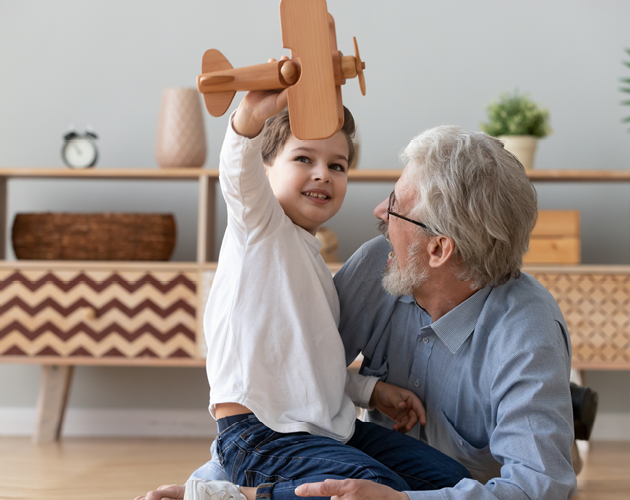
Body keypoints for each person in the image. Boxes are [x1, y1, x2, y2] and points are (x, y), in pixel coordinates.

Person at [136, 93, 470, 500]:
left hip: (330, 429)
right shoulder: (258, 227)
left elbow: (308, 366)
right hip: (262, 434)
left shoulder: (314, 263)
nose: (322, 175)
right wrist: (248, 118)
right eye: (303, 159)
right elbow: (236, 170)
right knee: (378, 490)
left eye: (336, 165)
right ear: (265, 167)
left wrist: (371, 392)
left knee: (452, 481)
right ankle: (234, 496)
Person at [296, 125, 578, 499]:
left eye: (396, 205)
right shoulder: (377, 264)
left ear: (439, 249)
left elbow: (540, 487)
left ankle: (562, 415)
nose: (379, 211)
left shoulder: (528, 335)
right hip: (381, 466)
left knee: (555, 457)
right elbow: (294, 377)